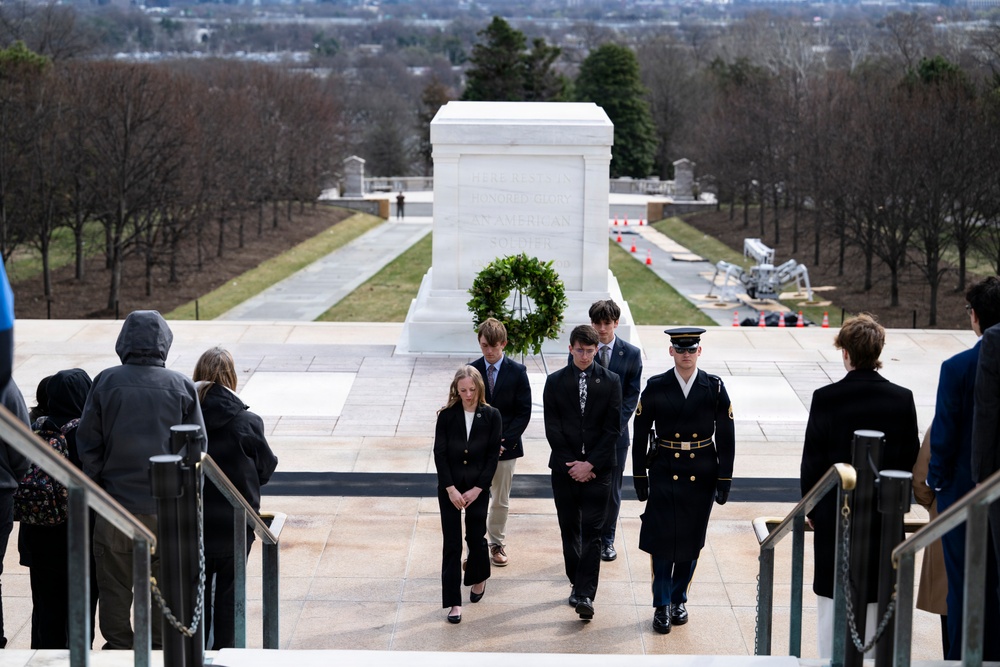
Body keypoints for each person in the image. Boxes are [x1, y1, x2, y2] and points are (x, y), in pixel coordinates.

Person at [77, 310, 206, 650]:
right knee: (165, 587)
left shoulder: (106, 381)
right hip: (168, 510)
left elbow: (88, 442)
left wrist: (100, 486)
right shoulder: (181, 386)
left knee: (115, 586)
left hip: (115, 505)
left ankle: (118, 649)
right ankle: (160, 648)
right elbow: (197, 450)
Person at [799, 313, 919, 658]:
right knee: (879, 600)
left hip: (837, 516)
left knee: (833, 604)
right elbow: (907, 458)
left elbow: (813, 463)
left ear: (846, 353)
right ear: (878, 352)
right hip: (884, 517)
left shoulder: (826, 397)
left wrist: (813, 509)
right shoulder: (902, 398)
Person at [631, 327, 734, 634]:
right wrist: (639, 476)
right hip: (664, 469)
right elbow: (639, 433)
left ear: (699, 352)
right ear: (671, 351)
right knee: (662, 541)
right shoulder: (656, 385)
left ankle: (679, 599)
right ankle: (661, 604)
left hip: (701, 471)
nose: (686, 355)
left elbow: (726, 436)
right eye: (680, 349)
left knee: (690, 542)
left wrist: (724, 479)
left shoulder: (713, 387)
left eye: (691, 350)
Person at [928, 277, 1000, 660]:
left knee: (964, 587)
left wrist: (935, 482)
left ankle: (964, 657)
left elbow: (944, 434)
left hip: (960, 493)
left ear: (975, 317)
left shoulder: (957, 367)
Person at [193, 347, 278, 650]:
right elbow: (265, 468)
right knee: (230, 596)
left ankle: (196, 653)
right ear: (231, 377)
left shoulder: (182, 419)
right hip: (235, 523)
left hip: (193, 524)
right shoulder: (247, 422)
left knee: (195, 598)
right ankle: (226, 652)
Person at [544, 324, 622, 620]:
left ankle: (585, 594)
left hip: (599, 471)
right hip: (565, 469)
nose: (585, 356)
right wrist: (574, 465)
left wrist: (591, 464)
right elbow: (553, 428)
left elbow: (612, 428)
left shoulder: (611, 381)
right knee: (570, 530)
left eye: (590, 351)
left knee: (593, 533)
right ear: (571, 348)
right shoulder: (554, 382)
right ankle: (577, 582)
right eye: (580, 350)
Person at [18, 369, 99, 649]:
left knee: (45, 611)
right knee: (81, 610)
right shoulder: (87, 433)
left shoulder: (35, 430)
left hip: (39, 535)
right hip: (81, 537)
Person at [433, 365, 501, 624]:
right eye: (463, 390)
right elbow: (440, 454)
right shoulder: (447, 416)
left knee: (476, 536)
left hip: (477, 487)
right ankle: (453, 602)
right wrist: (450, 489)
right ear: (456, 389)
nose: (468, 395)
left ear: (479, 387)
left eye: (472, 389)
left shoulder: (492, 416)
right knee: (451, 544)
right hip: (449, 488)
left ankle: (478, 577)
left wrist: (478, 488)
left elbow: (492, 455)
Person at [470, 318, 531, 567]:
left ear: (503, 344)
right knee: (475, 496)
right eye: (485, 346)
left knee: (500, 499)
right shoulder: (471, 371)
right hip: (476, 448)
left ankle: (496, 542)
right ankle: (475, 544)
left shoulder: (517, 372)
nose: (489, 351)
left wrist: (504, 442)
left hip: (506, 448)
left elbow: (523, 412)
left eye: (494, 346)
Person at [588, 300, 641, 562]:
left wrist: (612, 428)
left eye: (606, 323)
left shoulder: (630, 354)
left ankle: (607, 539)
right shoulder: (583, 350)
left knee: (612, 492)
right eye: (597, 323)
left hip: (617, 436)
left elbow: (631, 396)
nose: (601, 328)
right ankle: (590, 537)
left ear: (616, 323)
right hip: (587, 436)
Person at [911, 429, 949, 658]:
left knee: (952, 609)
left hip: (950, 511)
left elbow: (920, 478)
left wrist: (934, 506)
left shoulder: (954, 410)